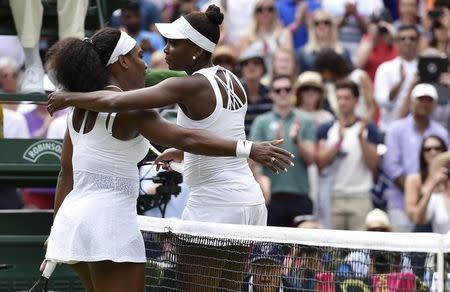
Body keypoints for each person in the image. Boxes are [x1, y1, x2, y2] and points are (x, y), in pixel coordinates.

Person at [47, 6, 293, 290]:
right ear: (123, 63)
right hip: (246, 203)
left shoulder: (182, 87)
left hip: (206, 206)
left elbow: (125, 111)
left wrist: (69, 96)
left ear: (197, 49)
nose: (163, 51)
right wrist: (187, 155)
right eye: (142, 55)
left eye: (174, 42)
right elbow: (206, 132)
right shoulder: (233, 80)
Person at [250, 75, 316, 227]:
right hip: (270, 196)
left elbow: (311, 159)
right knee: (270, 249)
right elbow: (251, 160)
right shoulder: (261, 122)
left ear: (293, 93)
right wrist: (274, 148)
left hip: (299, 195)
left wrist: (296, 141)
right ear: (271, 94)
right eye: (278, 90)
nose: (283, 93)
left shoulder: (305, 120)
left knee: (302, 250)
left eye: (287, 89)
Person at [383, 83, 449, 232]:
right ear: (411, 102)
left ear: (435, 104)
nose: (424, 104)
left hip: (435, 201)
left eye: (428, 100)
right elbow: (392, 167)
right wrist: (415, 191)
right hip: (400, 201)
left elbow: (445, 163)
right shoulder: (396, 129)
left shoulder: (441, 132)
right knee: (404, 249)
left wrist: (429, 192)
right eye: (420, 99)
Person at [316, 80, 380, 230]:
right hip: (334, 197)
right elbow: (320, 162)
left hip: (361, 196)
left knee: (360, 249)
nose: (342, 102)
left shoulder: (368, 128)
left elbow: (374, 165)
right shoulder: (327, 128)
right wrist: (338, 142)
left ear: (356, 100)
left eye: (346, 98)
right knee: (334, 250)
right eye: (339, 98)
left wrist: (360, 138)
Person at [405, 137, 450, 234]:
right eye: (427, 149)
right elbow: (414, 216)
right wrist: (433, 184)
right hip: (423, 232)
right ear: (422, 153)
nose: (433, 152)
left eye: (437, 148)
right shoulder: (414, 179)